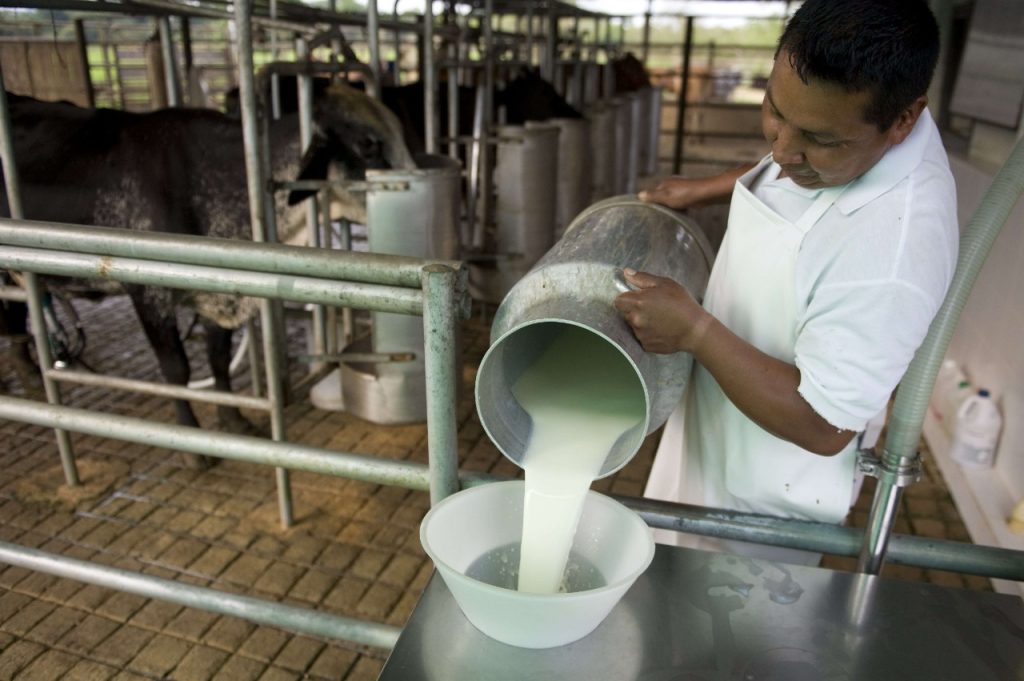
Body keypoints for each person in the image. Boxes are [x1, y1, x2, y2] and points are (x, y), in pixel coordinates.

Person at [614, 0, 958, 564]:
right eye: (774, 109)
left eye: (819, 141)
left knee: (720, 642)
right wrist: (713, 185)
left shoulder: (893, 251)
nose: (780, 151)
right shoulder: (851, 120)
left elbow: (824, 424)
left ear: (904, 119)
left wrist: (696, 331)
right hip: (715, 439)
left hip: (757, 511)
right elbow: (800, 142)